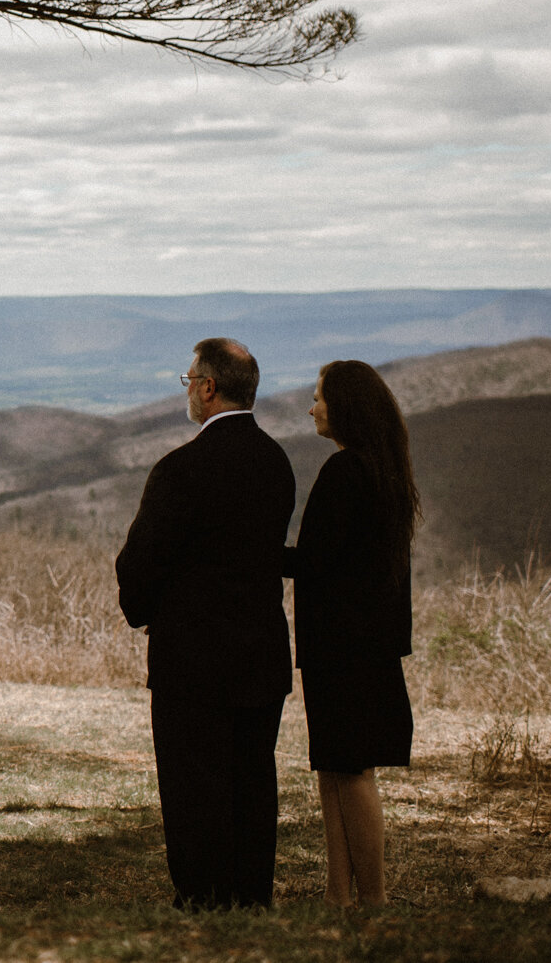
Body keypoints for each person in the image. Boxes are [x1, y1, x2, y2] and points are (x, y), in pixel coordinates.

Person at [115, 338, 295, 909]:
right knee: (252, 778)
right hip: (261, 651)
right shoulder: (276, 462)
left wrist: (143, 610)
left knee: (194, 782)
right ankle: (250, 895)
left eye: (190, 378)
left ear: (209, 388)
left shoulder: (181, 469)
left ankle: (201, 895)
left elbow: (142, 560)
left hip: (192, 656)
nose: (188, 387)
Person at [284, 360, 418, 908]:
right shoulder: (382, 470)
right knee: (336, 769)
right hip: (365, 645)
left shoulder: (344, 473)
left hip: (343, 649)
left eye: (319, 397)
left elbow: (312, 561)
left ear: (345, 407)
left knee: (352, 773)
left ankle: (374, 903)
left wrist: (241, 546)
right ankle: (339, 897)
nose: (311, 406)